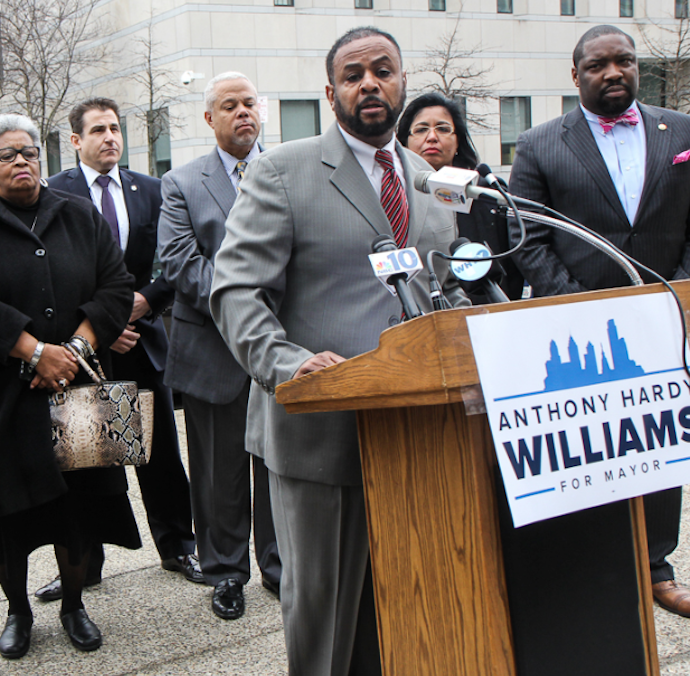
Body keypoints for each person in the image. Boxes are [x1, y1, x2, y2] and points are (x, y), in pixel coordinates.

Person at [209, 27, 467, 675]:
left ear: (402, 83)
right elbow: (235, 292)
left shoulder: (429, 182)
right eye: (353, 75)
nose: (369, 84)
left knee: (412, 605)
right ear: (331, 93)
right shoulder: (281, 172)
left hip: (419, 435)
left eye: (382, 71)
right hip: (320, 434)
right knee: (323, 618)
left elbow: (439, 293)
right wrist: (290, 366)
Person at [508, 24, 690, 620]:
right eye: (598, 65)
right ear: (576, 76)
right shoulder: (540, 143)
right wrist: (578, 308)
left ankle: (657, 568)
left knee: (658, 440)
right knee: (590, 443)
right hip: (580, 328)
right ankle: (590, 569)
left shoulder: (686, 133)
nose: (614, 72)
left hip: (663, 321)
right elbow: (530, 240)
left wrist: (678, 297)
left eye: (623, 61)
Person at [0, 114, 140, 659]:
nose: (22, 160)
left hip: (78, 388)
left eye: (29, 151)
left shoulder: (77, 214)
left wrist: (73, 350)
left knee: (78, 508)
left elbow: (117, 285)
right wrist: (33, 351)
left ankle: (74, 603)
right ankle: (18, 611)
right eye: (7, 154)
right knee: (8, 513)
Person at [37, 97, 201, 602]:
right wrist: (103, 326)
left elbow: (171, 263)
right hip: (88, 348)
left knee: (162, 455)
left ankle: (178, 546)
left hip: (143, 340)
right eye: (99, 130)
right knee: (89, 458)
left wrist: (144, 304)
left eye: (115, 128)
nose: (111, 137)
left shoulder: (151, 190)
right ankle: (84, 563)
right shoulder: (53, 195)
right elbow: (51, 275)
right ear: (76, 140)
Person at [157, 72, 282, 621]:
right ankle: (226, 573)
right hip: (214, 349)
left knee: (279, 465)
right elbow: (179, 261)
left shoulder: (289, 172)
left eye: (249, 103)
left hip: (284, 345)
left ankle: (280, 567)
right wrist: (245, 303)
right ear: (210, 119)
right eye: (229, 106)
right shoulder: (182, 182)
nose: (242, 113)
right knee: (218, 474)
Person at [396, 92, 525, 302]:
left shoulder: (484, 193)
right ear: (403, 143)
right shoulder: (395, 196)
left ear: (458, 142)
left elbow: (514, 264)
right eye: (421, 129)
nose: (432, 137)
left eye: (443, 129)